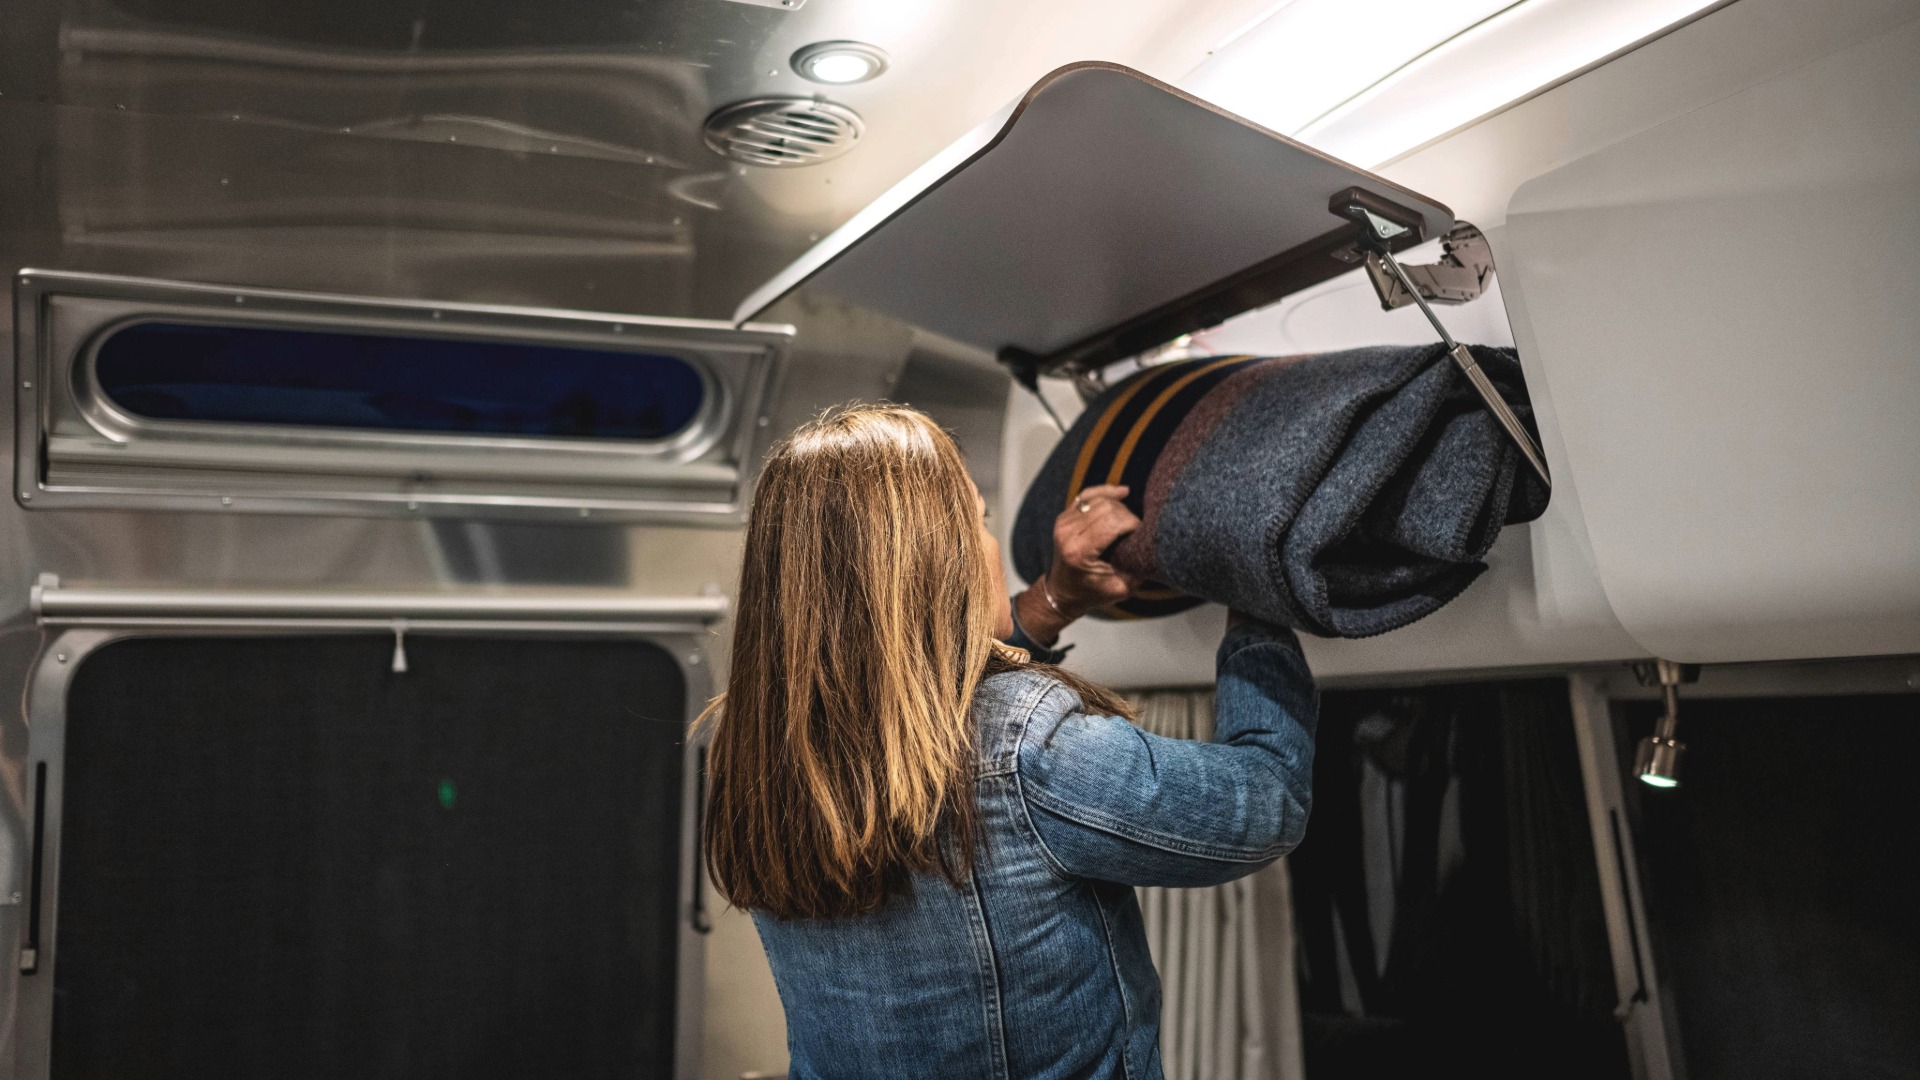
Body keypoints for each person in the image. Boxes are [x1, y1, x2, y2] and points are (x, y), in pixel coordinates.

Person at [702, 403, 1318, 1080]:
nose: (989, 544)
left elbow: (914, 692)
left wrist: (1056, 596)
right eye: (981, 521)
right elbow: (1262, 803)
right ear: (938, 561)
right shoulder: (1028, 746)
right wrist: (1257, 597)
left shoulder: (757, 742)